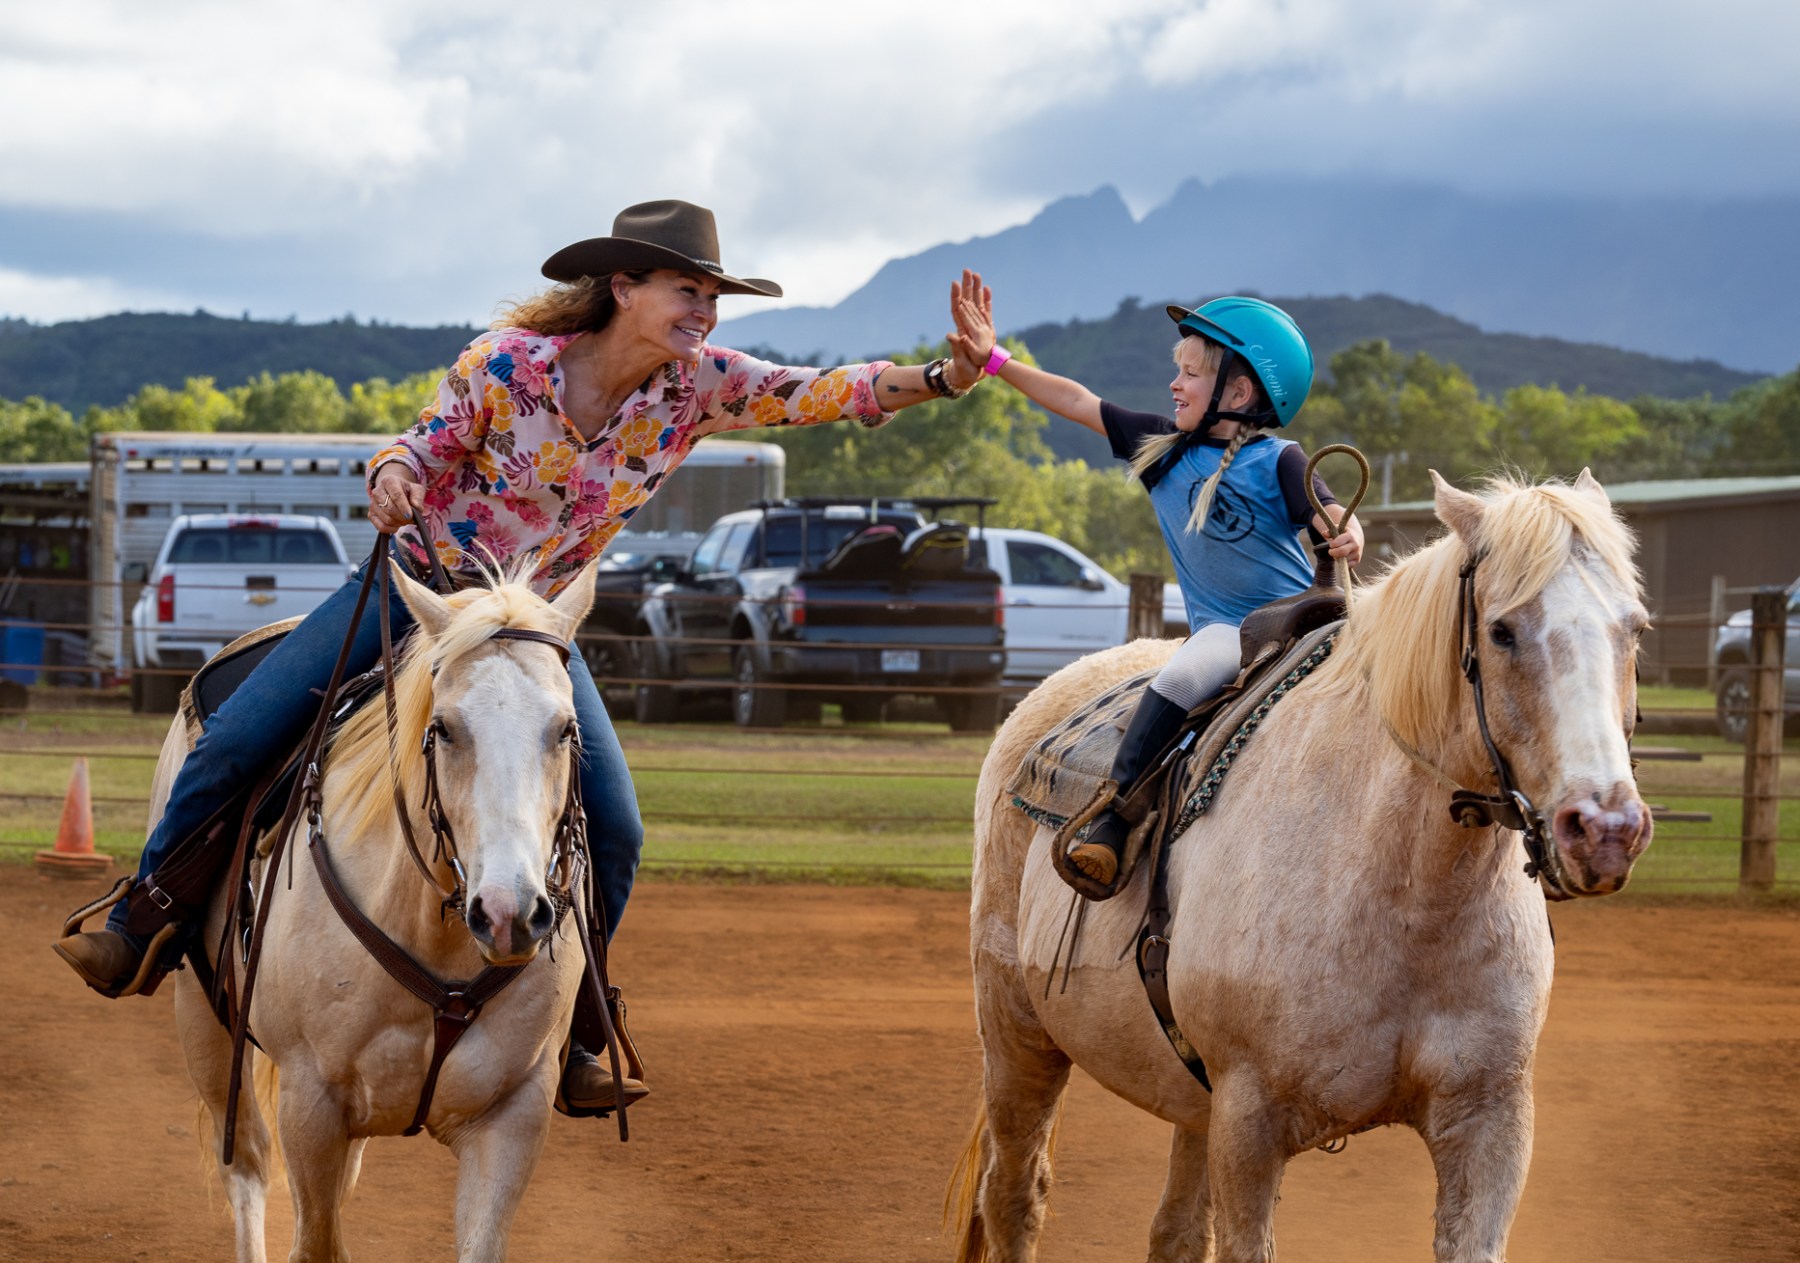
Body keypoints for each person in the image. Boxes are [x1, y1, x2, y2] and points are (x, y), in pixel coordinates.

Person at [53, 200, 993, 1112]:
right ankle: (145, 918)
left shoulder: (700, 385)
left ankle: (584, 1026)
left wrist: (946, 376)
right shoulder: (505, 366)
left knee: (616, 828)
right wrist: (389, 478)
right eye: (687, 289)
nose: (704, 312)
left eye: (713, 297)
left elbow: (824, 393)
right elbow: (415, 449)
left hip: (535, 627)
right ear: (623, 286)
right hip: (417, 594)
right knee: (238, 738)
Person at [948, 273, 1364, 889]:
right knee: (1185, 673)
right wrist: (995, 360)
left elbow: (1328, 512)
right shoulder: (1160, 451)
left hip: (1298, 627)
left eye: (1192, 372)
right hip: (1231, 634)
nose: (1176, 382)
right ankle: (1115, 817)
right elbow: (1073, 400)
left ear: (1241, 389)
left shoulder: (1281, 459)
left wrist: (1346, 534)